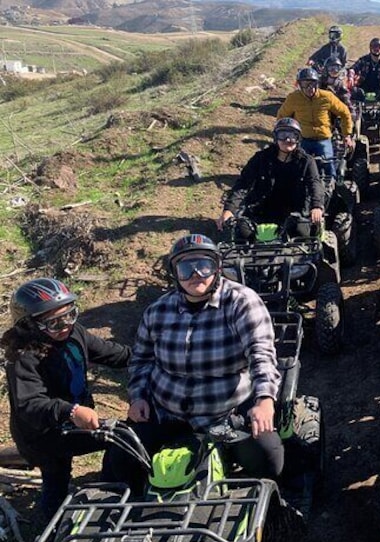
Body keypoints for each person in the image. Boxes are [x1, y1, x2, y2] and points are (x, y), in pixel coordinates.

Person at [106, 234, 285, 494]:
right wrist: (138, 397)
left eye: (204, 265)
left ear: (217, 268)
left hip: (225, 414)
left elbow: (261, 354)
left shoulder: (242, 302)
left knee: (270, 459)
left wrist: (264, 400)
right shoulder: (157, 311)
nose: (196, 274)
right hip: (167, 413)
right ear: (175, 274)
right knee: (120, 458)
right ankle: (134, 511)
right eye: (186, 268)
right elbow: (142, 359)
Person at [2, 278, 131, 517]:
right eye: (53, 322)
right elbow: (29, 405)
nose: (65, 325)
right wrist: (71, 411)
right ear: (29, 325)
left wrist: (146, 355)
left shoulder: (74, 333)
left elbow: (112, 353)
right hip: (43, 436)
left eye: (70, 315)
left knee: (119, 437)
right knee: (56, 480)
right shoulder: (23, 356)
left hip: (73, 423)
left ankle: (108, 486)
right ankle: (48, 533)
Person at [217, 117, 325, 233]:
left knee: (301, 232)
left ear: (298, 139)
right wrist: (229, 209)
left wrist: (317, 206)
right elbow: (243, 184)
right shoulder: (261, 158)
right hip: (261, 211)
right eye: (282, 135)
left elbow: (315, 184)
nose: (288, 139)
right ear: (275, 137)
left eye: (293, 136)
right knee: (241, 232)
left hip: (296, 213)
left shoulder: (307, 161)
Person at [277, 67, 354, 180]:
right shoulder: (293, 98)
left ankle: (331, 191)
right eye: (305, 84)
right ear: (299, 85)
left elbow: (345, 112)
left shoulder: (327, 97)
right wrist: (282, 136)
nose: (309, 88)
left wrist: (346, 135)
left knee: (330, 169)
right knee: (297, 169)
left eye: (312, 84)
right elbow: (282, 117)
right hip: (302, 139)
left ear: (317, 84)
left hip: (323, 139)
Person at [350, 37, 380, 103]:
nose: (377, 49)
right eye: (374, 47)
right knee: (354, 94)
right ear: (370, 48)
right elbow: (353, 69)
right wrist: (351, 79)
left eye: (379, 47)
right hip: (363, 87)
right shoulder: (363, 60)